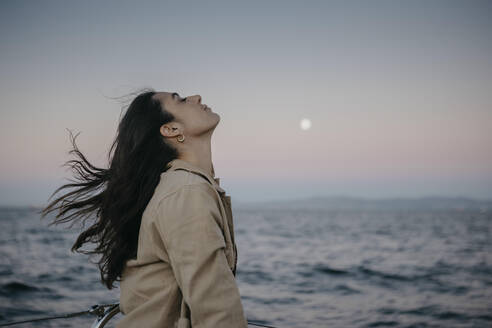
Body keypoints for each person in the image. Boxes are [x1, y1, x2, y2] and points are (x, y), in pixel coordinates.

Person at [39, 88, 248, 328]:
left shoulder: (181, 187)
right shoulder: (186, 191)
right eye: (180, 100)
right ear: (171, 130)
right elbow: (216, 309)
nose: (197, 97)